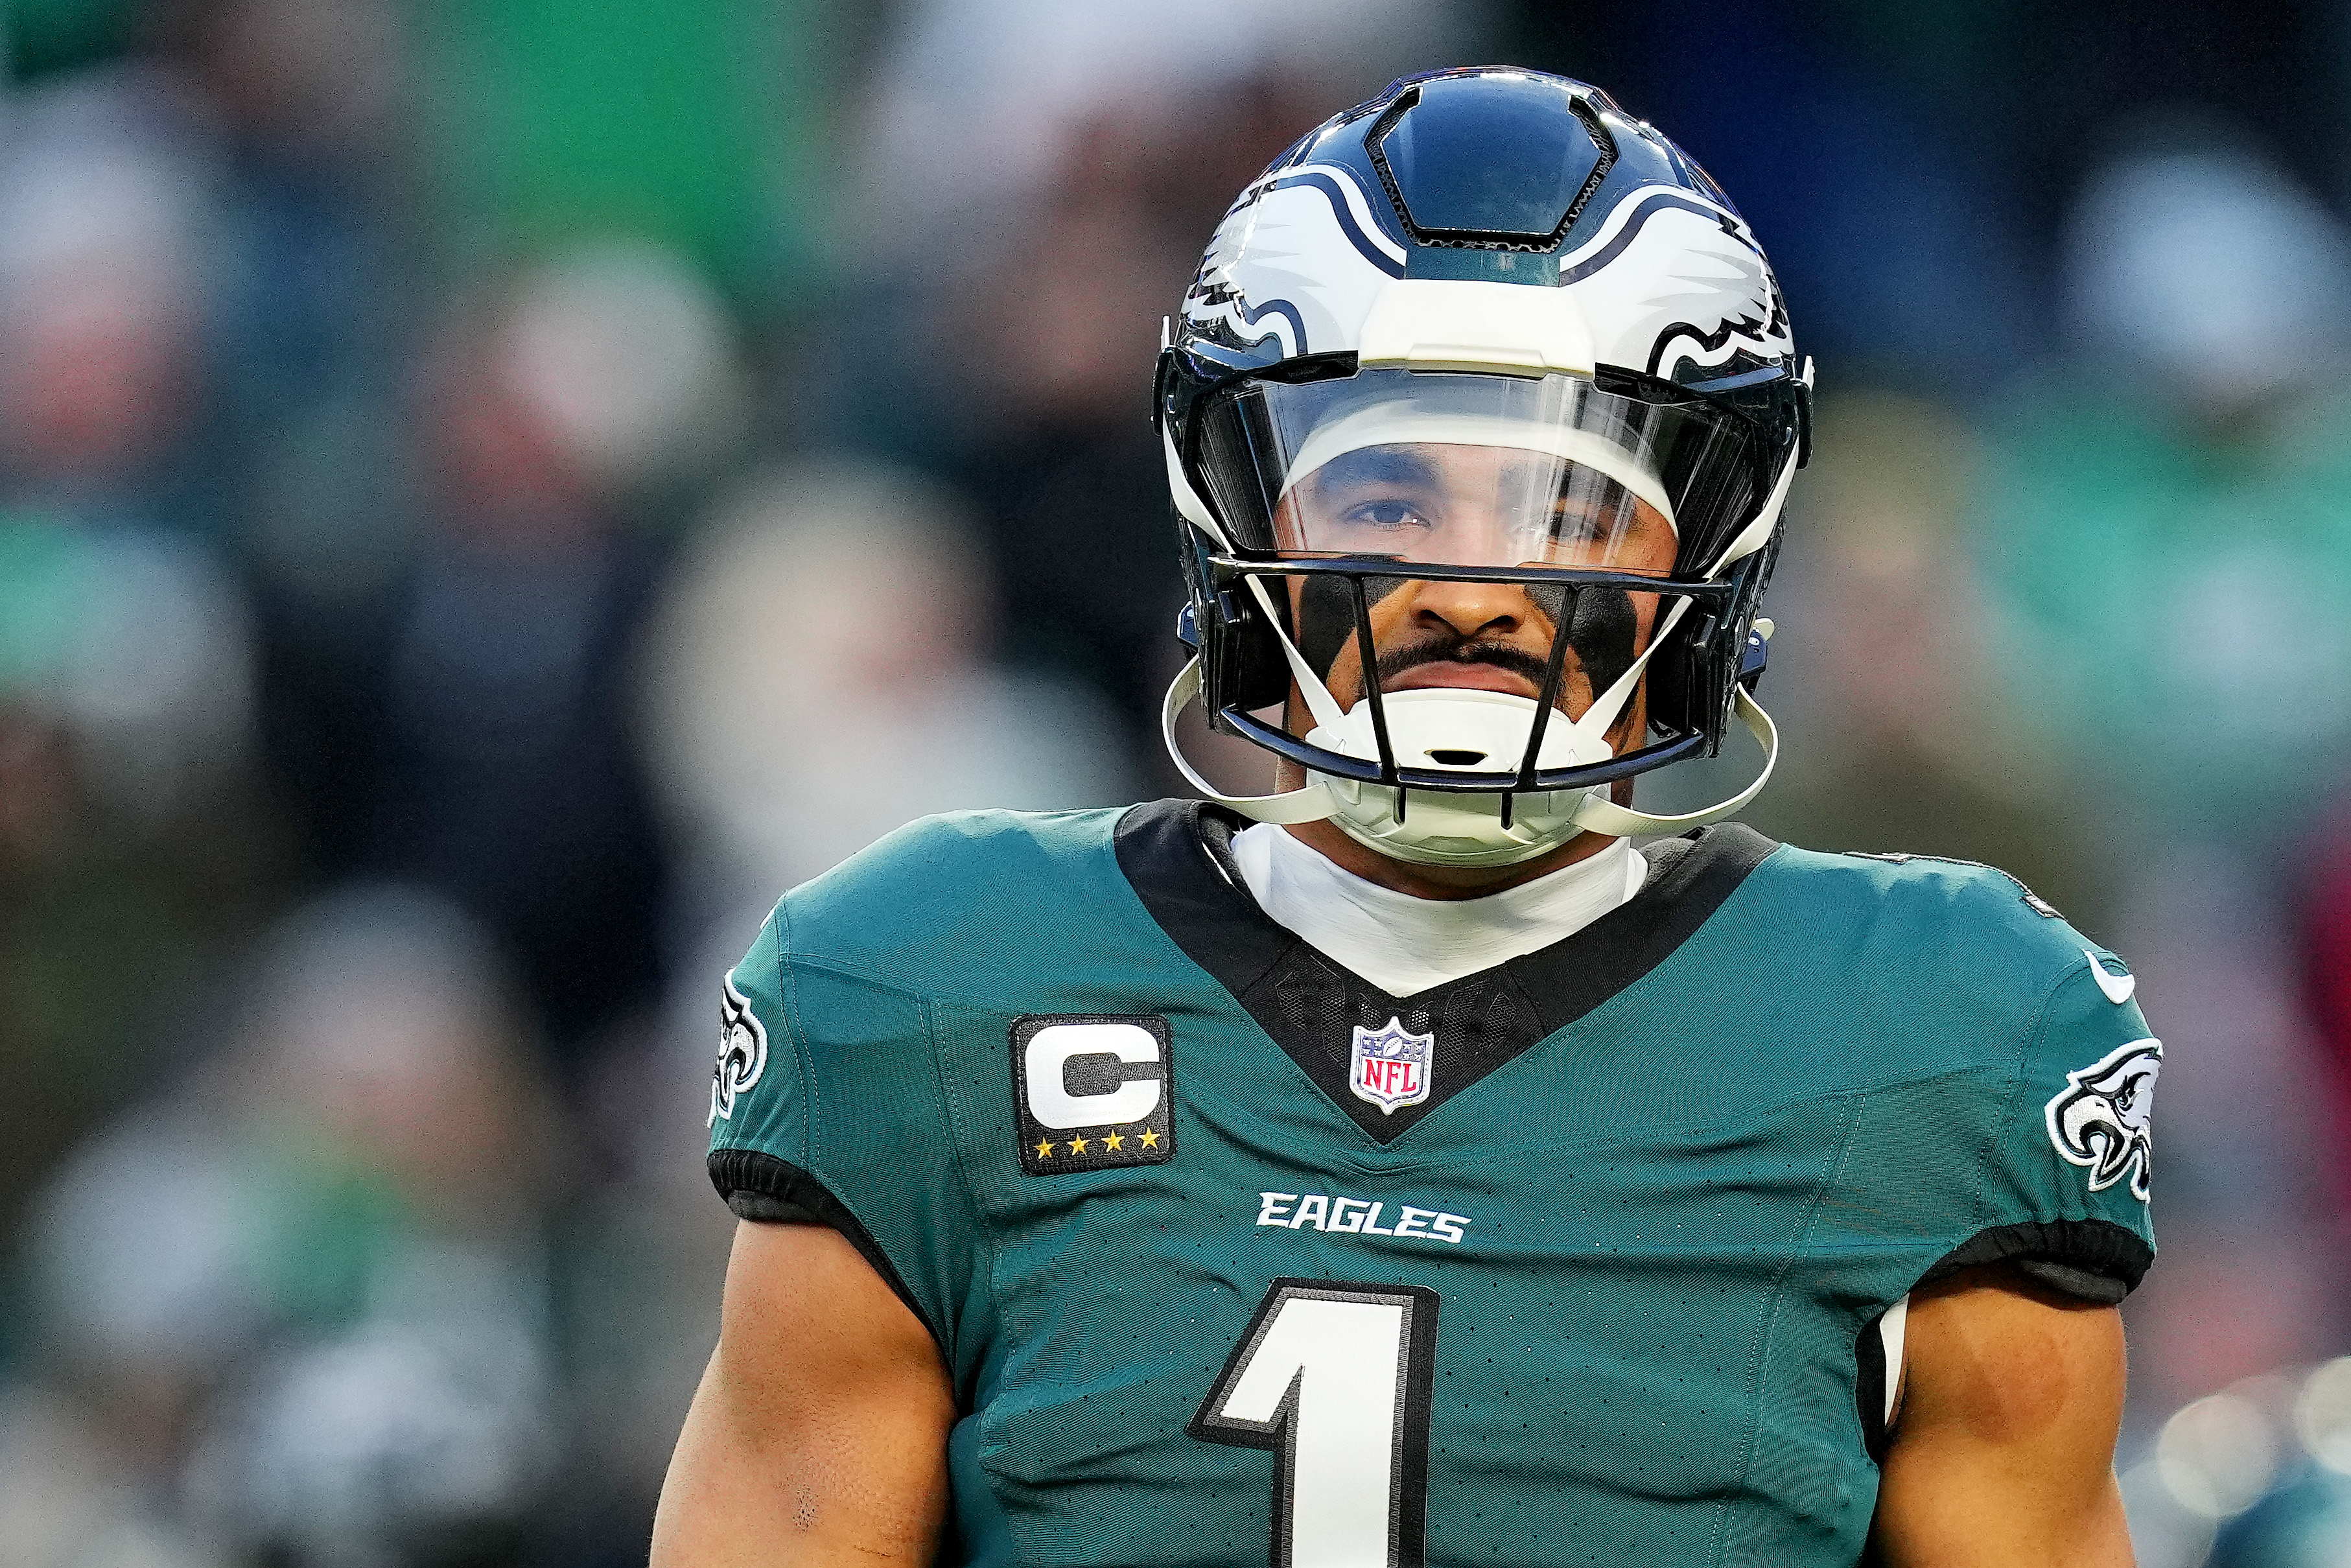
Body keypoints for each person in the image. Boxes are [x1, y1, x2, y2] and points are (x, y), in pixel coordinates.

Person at [653, 69, 2157, 1567]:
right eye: (1382, 501)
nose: (1464, 583)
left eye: (1556, 508)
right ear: (1238, 519)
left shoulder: (1931, 1041)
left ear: (1715, 546)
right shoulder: (933, 984)